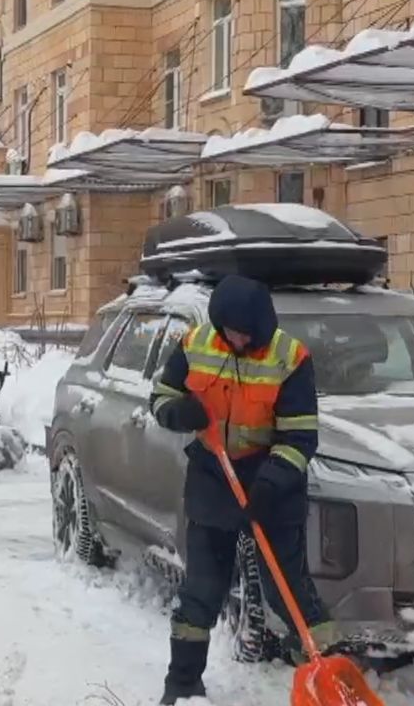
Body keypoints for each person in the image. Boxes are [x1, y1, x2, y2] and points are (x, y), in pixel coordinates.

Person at [147, 275, 333, 705]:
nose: (241, 339)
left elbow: (300, 437)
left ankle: (326, 672)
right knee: (202, 589)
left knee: (286, 588)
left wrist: (270, 484)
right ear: (219, 323)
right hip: (214, 475)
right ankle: (182, 685)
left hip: (272, 479)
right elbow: (159, 397)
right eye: (234, 331)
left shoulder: (290, 357)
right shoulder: (195, 344)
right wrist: (180, 412)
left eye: (249, 332)